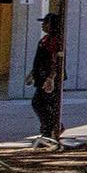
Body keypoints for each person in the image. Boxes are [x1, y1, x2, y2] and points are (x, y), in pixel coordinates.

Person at [29, 13, 65, 144]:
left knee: (40, 103)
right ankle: (49, 129)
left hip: (49, 79)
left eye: (45, 23)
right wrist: (32, 74)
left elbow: (56, 61)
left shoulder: (55, 41)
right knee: (42, 103)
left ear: (51, 25)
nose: (43, 25)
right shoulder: (46, 39)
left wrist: (51, 78)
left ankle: (51, 128)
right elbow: (40, 60)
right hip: (41, 77)